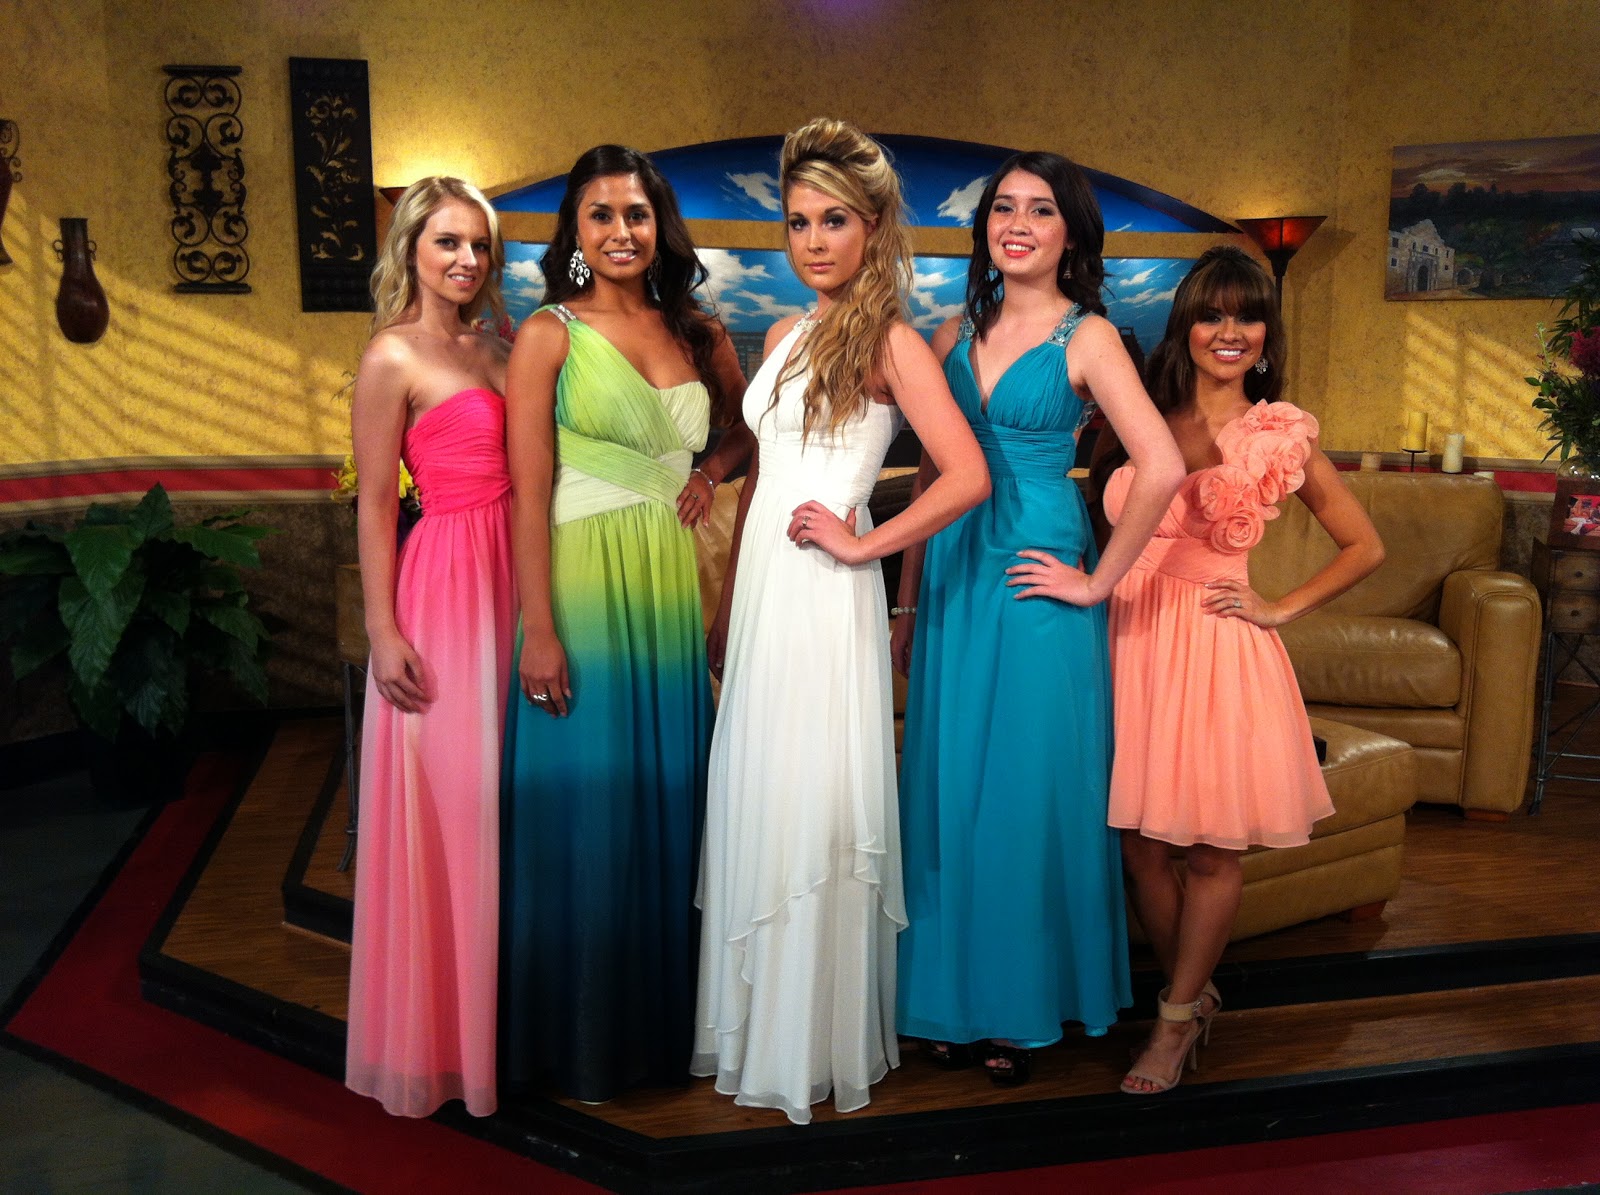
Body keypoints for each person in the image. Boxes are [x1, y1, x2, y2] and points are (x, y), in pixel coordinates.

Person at [692, 117, 991, 1125]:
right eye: (798, 222)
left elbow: (967, 474)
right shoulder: (782, 334)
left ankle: (811, 1041)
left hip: (826, 598)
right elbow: (765, 476)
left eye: (834, 220)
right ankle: (755, 1028)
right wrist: (729, 604)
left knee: (813, 801)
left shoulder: (893, 341)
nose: (814, 240)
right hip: (767, 596)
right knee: (764, 791)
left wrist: (866, 547)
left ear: (872, 228)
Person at [891, 153, 1185, 1085]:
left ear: (1071, 234)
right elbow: (933, 471)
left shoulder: (1087, 336)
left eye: (1041, 210)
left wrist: (1097, 583)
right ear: (985, 227)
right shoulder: (951, 332)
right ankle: (948, 999)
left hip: (1035, 568)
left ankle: (1017, 1005)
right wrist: (907, 596)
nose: (1018, 224)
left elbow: (1163, 465)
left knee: (1023, 788)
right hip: (953, 569)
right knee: (947, 786)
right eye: (1004, 208)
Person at [1092, 246, 1384, 1095]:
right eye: (1212, 314)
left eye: (1248, 315)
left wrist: (1279, 606)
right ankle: (1193, 994)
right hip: (1131, 641)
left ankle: (1173, 1020)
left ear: (1266, 333)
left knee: (1213, 850)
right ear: (1185, 325)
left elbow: (1364, 545)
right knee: (1140, 845)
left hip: (1216, 647)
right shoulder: (1137, 414)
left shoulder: (1278, 434)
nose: (1230, 331)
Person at [500, 145, 750, 1104]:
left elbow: (746, 433)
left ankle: (661, 1034)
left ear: (660, 226)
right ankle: (580, 1041)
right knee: (593, 802)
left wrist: (708, 471)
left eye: (636, 214)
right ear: (575, 227)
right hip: (584, 584)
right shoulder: (548, 335)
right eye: (600, 214)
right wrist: (539, 628)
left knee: (668, 794)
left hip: (668, 580)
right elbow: (528, 493)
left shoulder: (698, 330)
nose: (620, 231)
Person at [345, 176, 515, 1118]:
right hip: (445, 581)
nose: (466, 259)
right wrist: (382, 628)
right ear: (411, 246)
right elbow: (376, 501)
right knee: (456, 804)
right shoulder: (391, 355)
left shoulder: (502, 347)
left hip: (517, 577)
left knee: (507, 800)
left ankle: (504, 1027)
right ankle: (442, 1044)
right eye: (448, 241)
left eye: (479, 245)